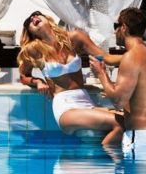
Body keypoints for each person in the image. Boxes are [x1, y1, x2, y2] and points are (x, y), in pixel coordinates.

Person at [18, 11, 123, 145]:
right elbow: (23, 76)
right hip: (65, 107)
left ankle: (106, 156)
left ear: (48, 19)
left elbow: (107, 58)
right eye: (29, 21)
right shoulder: (34, 50)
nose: (33, 17)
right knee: (120, 123)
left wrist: (135, 55)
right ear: (30, 32)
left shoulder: (74, 38)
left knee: (131, 120)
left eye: (37, 14)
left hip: (86, 102)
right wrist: (37, 81)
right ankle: (106, 156)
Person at [89, 7, 146, 155]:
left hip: (140, 136)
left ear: (124, 28)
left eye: (116, 26)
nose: (114, 32)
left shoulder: (131, 56)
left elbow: (118, 101)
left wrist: (101, 74)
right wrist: (136, 97)